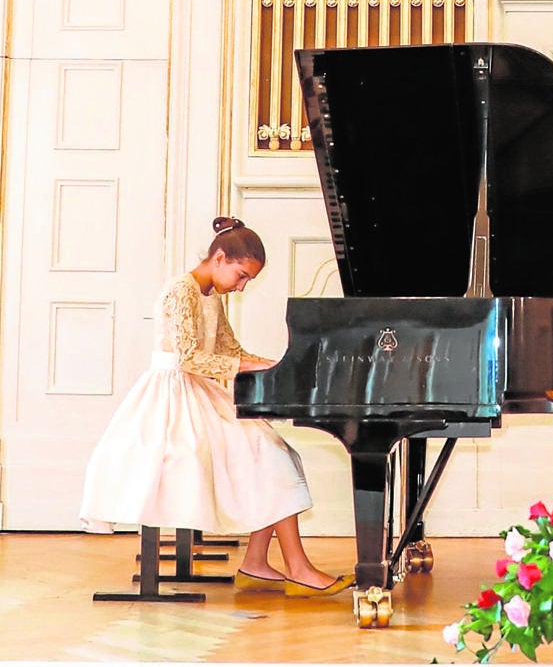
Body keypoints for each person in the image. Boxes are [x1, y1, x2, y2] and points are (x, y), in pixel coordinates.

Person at [79, 216, 353, 598]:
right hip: (173, 399)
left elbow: (229, 350)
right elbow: (189, 358)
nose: (240, 287)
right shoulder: (181, 291)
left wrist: (277, 364)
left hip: (200, 392)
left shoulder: (211, 296)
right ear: (220, 258)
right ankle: (295, 566)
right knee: (269, 455)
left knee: (278, 453)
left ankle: (259, 562)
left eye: (247, 282)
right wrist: (251, 366)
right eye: (240, 276)